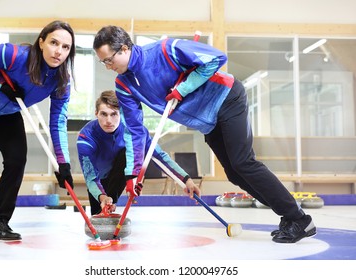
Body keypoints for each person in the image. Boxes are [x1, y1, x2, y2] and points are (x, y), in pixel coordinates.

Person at [92, 25, 317, 243]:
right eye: (103, 62)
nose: (107, 66)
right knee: (235, 174)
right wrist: (132, 174)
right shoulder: (124, 84)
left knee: (243, 163)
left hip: (226, 99)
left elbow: (216, 58)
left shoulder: (165, 49)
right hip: (207, 122)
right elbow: (134, 131)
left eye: (109, 59)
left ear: (123, 48)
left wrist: (183, 89)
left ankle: (300, 219)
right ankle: (289, 217)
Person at [0, 20, 76, 241]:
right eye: (54, 43)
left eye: (66, 47)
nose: (59, 51)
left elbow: (57, 122)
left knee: (16, 160)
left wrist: (63, 163)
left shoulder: (61, 82)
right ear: (41, 41)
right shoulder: (14, 55)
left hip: (5, 113)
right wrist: (0, 84)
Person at [77, 90, 200, 215]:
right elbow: (91, 176)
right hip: (97, 181)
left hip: (120, 175)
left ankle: (112, 201)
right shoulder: (85, 137)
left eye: (114, 114)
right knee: (98, 223)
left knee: (130, 152)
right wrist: (102, 197)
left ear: (121, 114)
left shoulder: (135, 131)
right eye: (104, 114)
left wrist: (186, 180)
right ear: (96, 113)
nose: (109, 120)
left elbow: (159, 157)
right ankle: (105, 203)